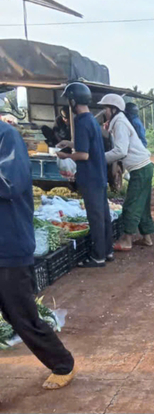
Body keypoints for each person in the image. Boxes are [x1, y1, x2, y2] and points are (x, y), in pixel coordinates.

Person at [0, 119, 76, 390]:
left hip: (7, 243)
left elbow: (10, 184)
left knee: (20, 314)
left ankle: (62, 363)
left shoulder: (6, 136)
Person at [56, 82, 112, 267]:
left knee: (95, 217)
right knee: (103, 215)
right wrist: (70, 143)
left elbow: (84, 154)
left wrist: (66, 155)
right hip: (100, 175)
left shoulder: (81, 122)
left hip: (90, 177)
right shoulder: (92, 120)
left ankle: (98, 257)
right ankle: (107, 251)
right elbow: (87, 145)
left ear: (73, 101)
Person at [98, 94, 154, 252]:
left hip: (140, 168)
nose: (104, 112)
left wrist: (99, 159)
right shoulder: (118, 121)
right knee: (142, 205)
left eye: (106, 109)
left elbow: (120, 151)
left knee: (131, 204)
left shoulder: (120, 123)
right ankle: (147, 238)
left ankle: (127, 240)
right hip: (144, 167)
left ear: (114, 109)